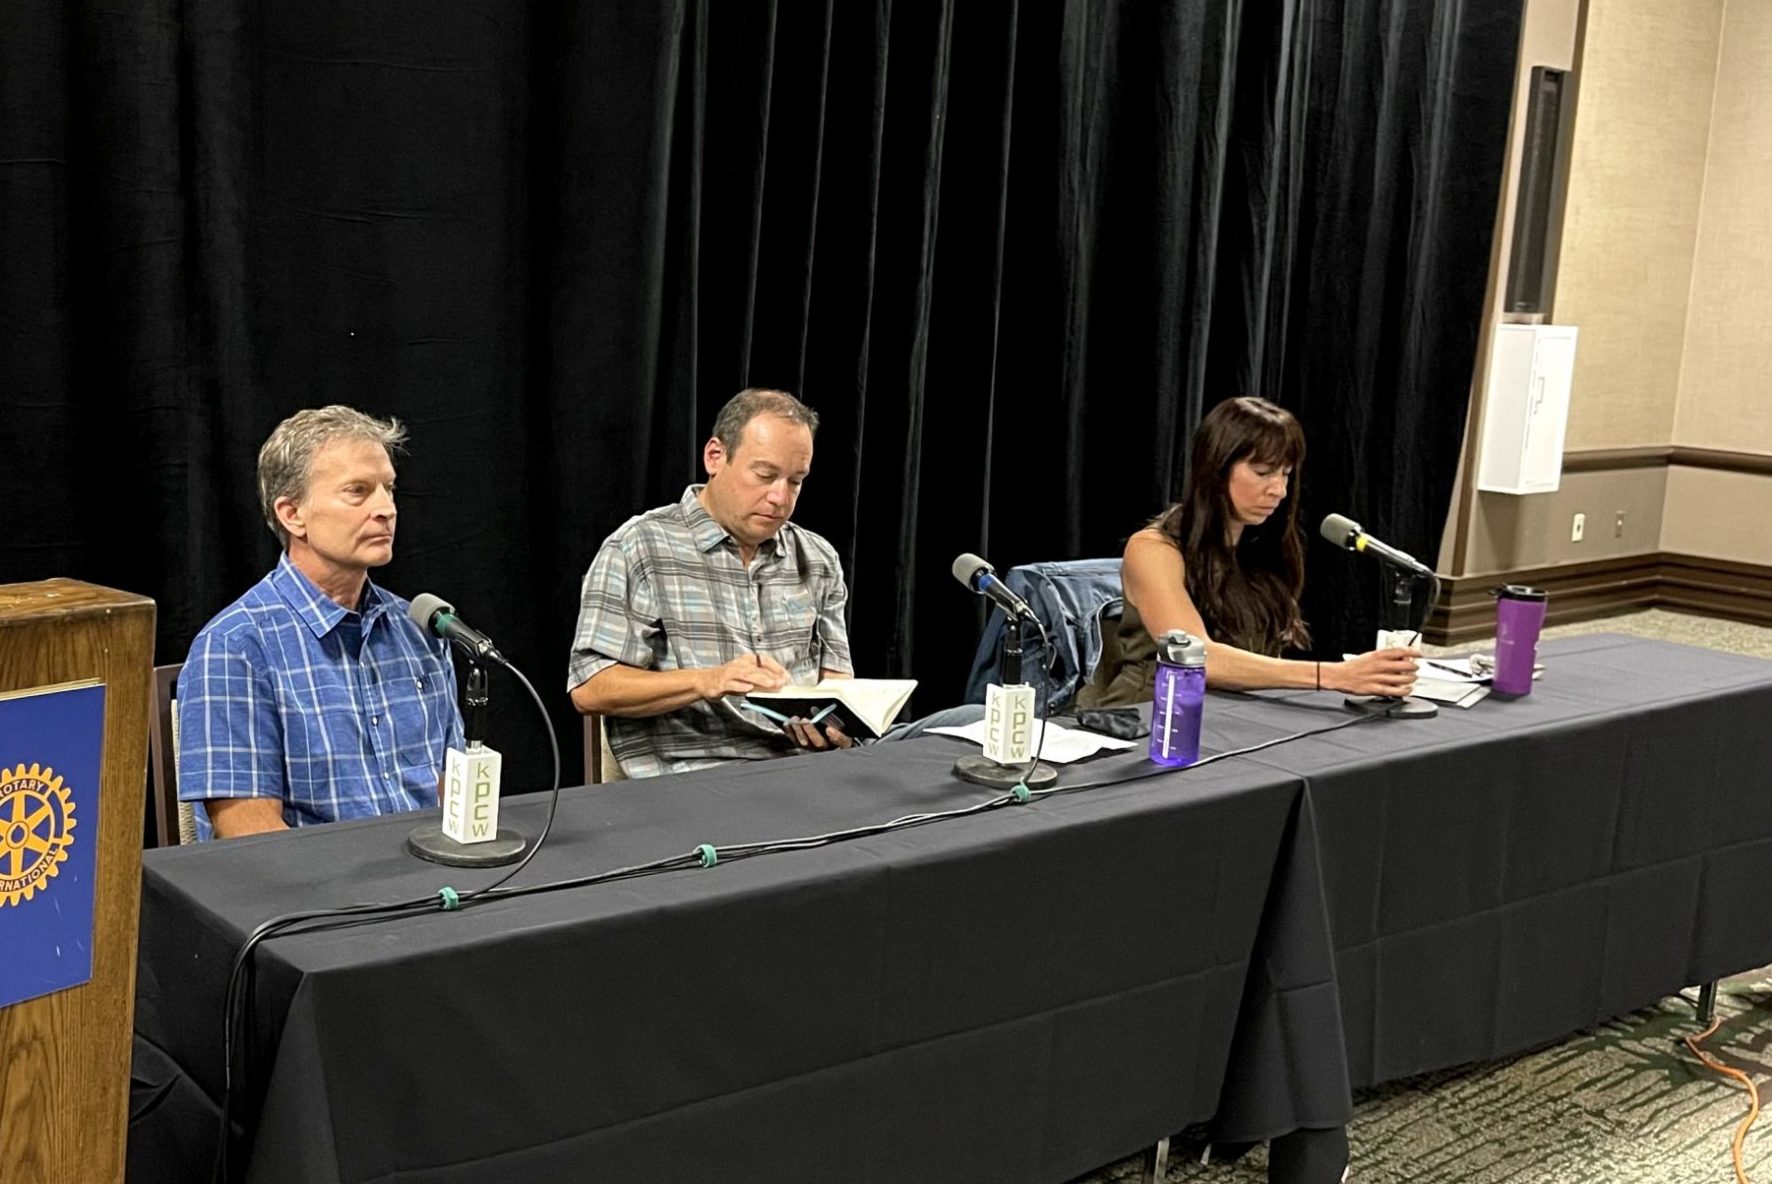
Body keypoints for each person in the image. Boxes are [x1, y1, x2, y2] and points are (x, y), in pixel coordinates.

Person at [177, 406, 464, 839]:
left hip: (435, 887)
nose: (385, 508)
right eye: (358, 491)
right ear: (293, 515)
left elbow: (453, 798)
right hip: (318, 899)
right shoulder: (235, 646)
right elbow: (247, 834)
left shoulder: (420, 630)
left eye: (388, 489)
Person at [568, 389, 857, 777]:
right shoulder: (640, 547)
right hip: (693, 777)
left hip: (802, 773)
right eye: (766, 475)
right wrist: (709, 680)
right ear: (715, 457)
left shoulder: (817, 558)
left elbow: (837, 683)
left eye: (795, 481)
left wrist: (836, 727)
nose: (780, 497)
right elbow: (591, 688)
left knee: (956, 727)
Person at [1078, 396, 1417, 706]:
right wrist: (1332, 675)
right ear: (1216, 468)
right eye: (1263, 472)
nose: (1280, 490)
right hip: (1153, 715)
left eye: (1286, 474)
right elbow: (1196, 657)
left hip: (1240, 711)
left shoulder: (1261, 547)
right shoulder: (1153, 549)